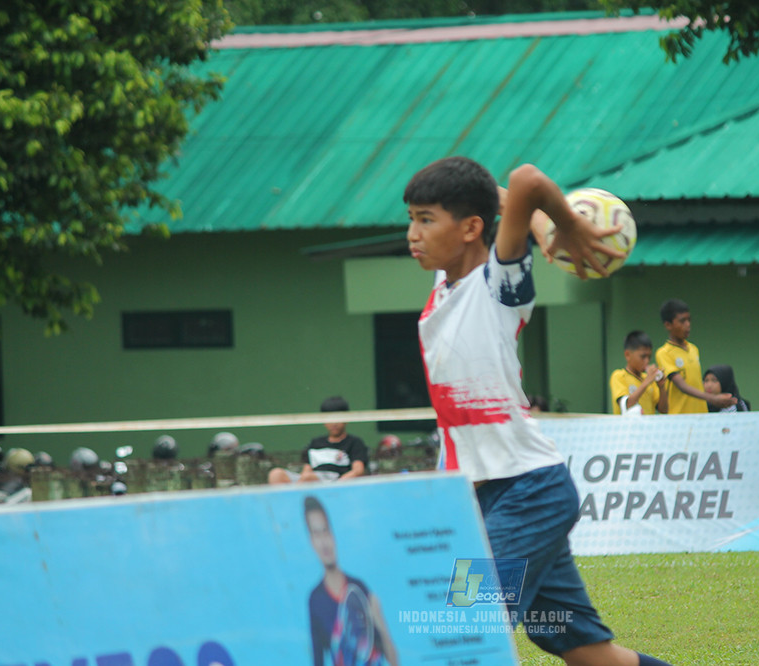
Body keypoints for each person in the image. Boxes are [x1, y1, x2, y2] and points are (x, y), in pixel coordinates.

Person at [404, 156, 673, 666]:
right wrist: (541, 220)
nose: (412, 233)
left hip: (528, 491)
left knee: (468, 630)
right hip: (490, 498)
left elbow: (525, 180)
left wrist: (564, 225)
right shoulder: (445, 288)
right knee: (588, 652)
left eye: (425, 218)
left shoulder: (498, 286)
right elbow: (498, 196)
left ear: (471, 229)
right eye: (412, 218)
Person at [304, 496, 398, 666]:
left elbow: (393, 659)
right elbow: (317, 660)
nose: (324, 542)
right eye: (316, 534)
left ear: (333, 534)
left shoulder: (359, 588)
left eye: (325, 530)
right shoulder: (315, 600)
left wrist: (379, 621)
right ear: (311, 541)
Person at [655, 299, 736, 414]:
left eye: (689, 320)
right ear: (668, 325)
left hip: (700, 416)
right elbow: (681, 385)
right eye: (682, 321)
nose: (688, 325)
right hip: (680, 418)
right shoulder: (664, 353)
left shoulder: (693, 349)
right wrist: (712, 398)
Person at [268, 396, 368, 485]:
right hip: (308, 481)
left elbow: (358, 470)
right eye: (329, 418)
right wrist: (302, 480)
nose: (334, 423)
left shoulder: (354, 442)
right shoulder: (315, 443)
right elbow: (306, 470)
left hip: (335, 481)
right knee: (276, 474)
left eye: (337, 418)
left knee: (309, 478)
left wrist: (338, 484)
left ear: (347, 418)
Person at [609, 330, 668, 415]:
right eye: (643, 356)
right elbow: (627, 405)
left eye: (649, 356)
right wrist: (647, 381)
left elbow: (664, 410)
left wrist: (661, 387)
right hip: (627, 428)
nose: (647, 361)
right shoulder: (619, 376)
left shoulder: (649, 379)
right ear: (627, 355)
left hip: (649, 428)